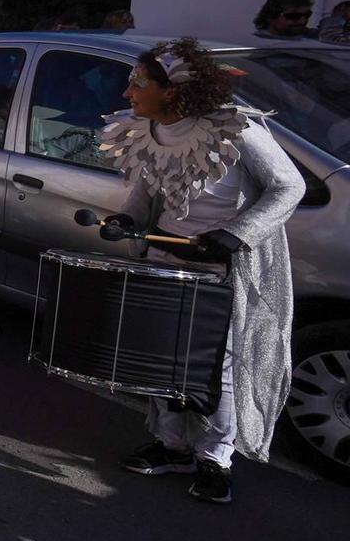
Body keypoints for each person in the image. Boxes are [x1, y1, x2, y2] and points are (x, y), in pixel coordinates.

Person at [100, 39, 303, 505]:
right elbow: (147, 194)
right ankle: (171, 445)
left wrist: (239, 233)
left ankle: (216, 459)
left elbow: (287, 185)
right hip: (168, 259)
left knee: (220, 367)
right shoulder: (146, 129)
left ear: (171, 90)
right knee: (163, 356)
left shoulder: (235, 127)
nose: (129, 91)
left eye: (139, 83)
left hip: (224, 266)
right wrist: (127, 221)